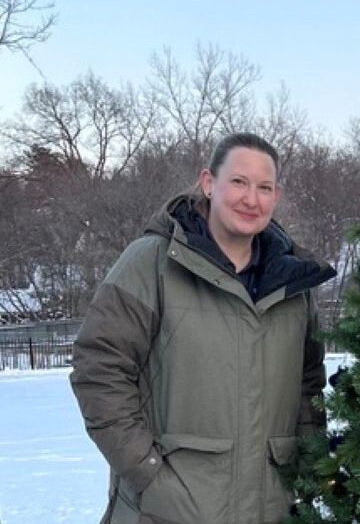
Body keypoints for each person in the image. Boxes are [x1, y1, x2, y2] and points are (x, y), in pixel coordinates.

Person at [71, 132, 336, 524]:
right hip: (168, 511)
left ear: (276, 197)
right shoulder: (151, 263)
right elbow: (99, 369)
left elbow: (307, 385)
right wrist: (149, 473)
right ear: (209, 183)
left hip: (271, 509)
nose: (251, 199)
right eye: (238, 182)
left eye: (264, 187)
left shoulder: (294, 286)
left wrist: (307, 470)